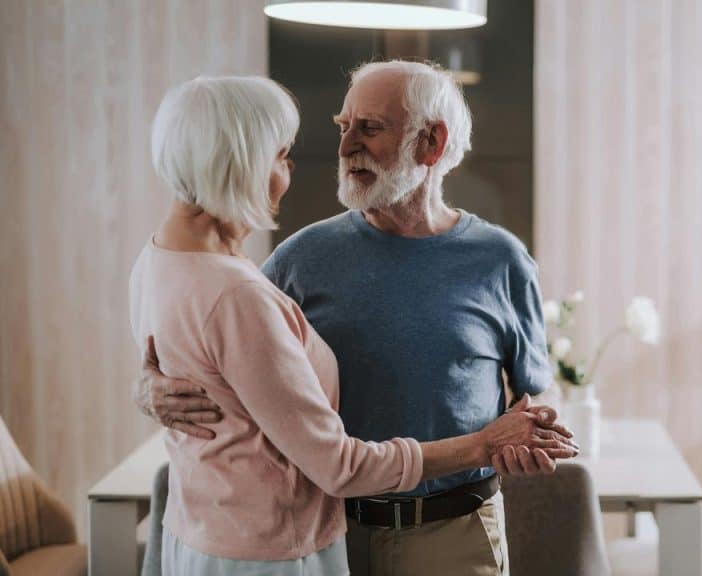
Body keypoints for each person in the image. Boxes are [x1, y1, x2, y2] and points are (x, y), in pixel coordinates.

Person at [132, 75, 576, 576]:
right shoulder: (298, 258)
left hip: (454, 533)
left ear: (431, 143)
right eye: (343, 126)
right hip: (334, 531)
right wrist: (148, 388)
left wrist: (536, 431)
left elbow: (537, 394)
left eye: (369, 127)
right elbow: (220, 350)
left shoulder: (502, 260)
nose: (345, 147)